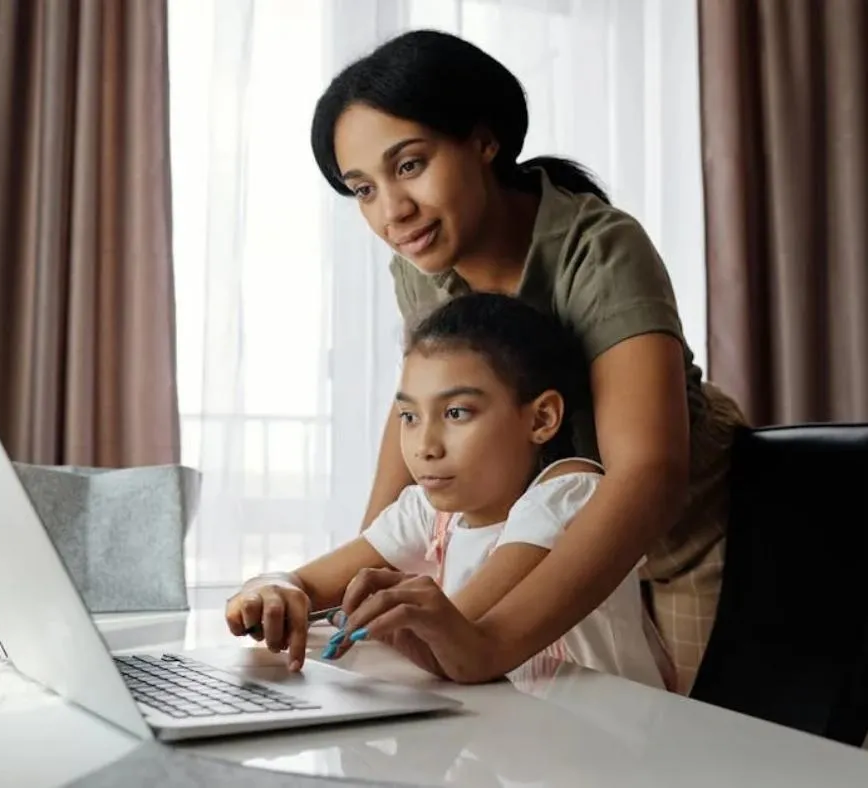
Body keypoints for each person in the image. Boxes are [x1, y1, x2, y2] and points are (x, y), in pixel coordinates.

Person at [304, 29, 746, 693]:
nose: (392, 211)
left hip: (682, 531)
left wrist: (489, 643)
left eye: (410, 165)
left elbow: (648, 472)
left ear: (485, 141)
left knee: (696, 733)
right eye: (363, 189)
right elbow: (418, 406)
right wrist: (368, 575)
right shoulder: (420, 266)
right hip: (546, 531)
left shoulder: (599, 248)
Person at [226, 292, 668, 689]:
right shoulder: (431, 512)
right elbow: (305, 582)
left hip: (601, 735)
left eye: (456, 413)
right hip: (507, 730)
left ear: (541, 418)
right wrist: (271, 590)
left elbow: (459, 637)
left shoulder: (570, 494)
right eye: (409, 416)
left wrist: (379, 612)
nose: (425, 447)